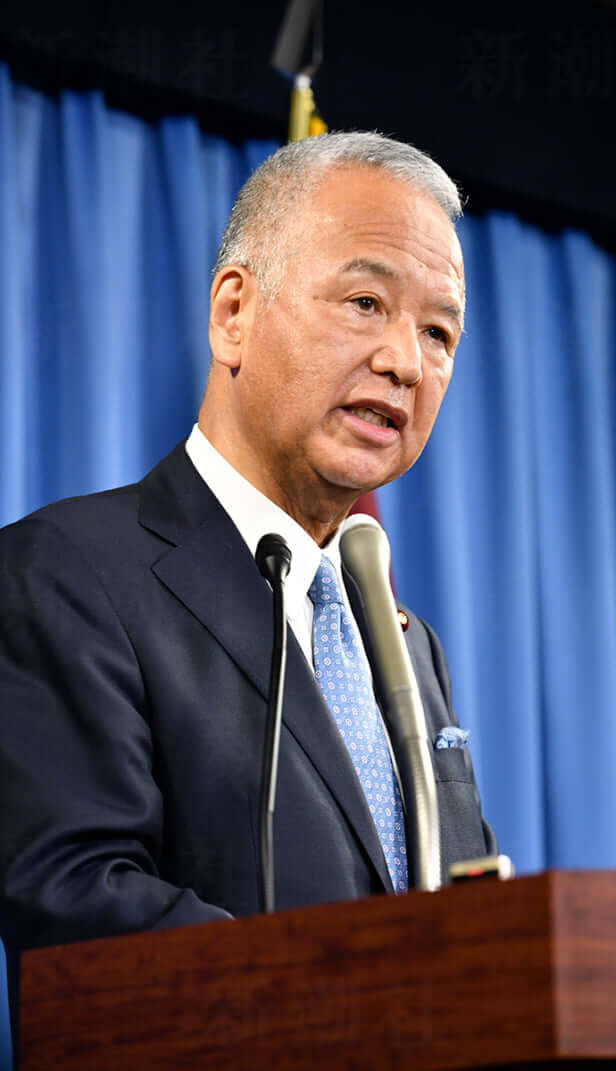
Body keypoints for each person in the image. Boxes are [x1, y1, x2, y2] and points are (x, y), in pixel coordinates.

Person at [0, 132, 493, 1004]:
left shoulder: (405, 644)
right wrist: (359, 1005)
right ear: (234, 312)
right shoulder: (68, 573)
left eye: (438, 331)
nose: (405, 362)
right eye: (366, 303)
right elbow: (78, 905)